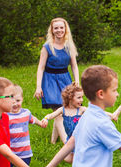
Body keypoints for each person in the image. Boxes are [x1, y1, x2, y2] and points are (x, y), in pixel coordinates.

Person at [34, 17, 79, 145]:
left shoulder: (69, 46)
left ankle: (53, 142)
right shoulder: (47, 47)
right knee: (58, 112)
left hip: (65, 79)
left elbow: (74, 66)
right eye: (56, 28)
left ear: (65, 29)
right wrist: (38, 87)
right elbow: (40, 68)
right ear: (52, 30)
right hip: (50, 80)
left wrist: (77, 81)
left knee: (63, 109)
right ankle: (67, 143)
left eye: (61, 27)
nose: (59, 30)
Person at [8, 85, 46, 167]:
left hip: (24, 152)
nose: (15, 103)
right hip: (9, 153)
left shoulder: (26, 113)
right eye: (11, 101)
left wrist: (40, 123)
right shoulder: (5, 115)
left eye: (18, 100)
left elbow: (32, 119)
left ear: (22, 99)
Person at [42, 82, 86, 163]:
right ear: (70, 98)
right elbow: (52, 115)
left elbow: (95, 112)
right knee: (68, 159)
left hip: (80, 139)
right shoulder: (63, 110)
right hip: (69, 138)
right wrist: (46, 118)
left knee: (80, 159)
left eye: (82, 97)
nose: (82, 100)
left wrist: (111, 115)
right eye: (79, 97)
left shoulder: (81, 109)